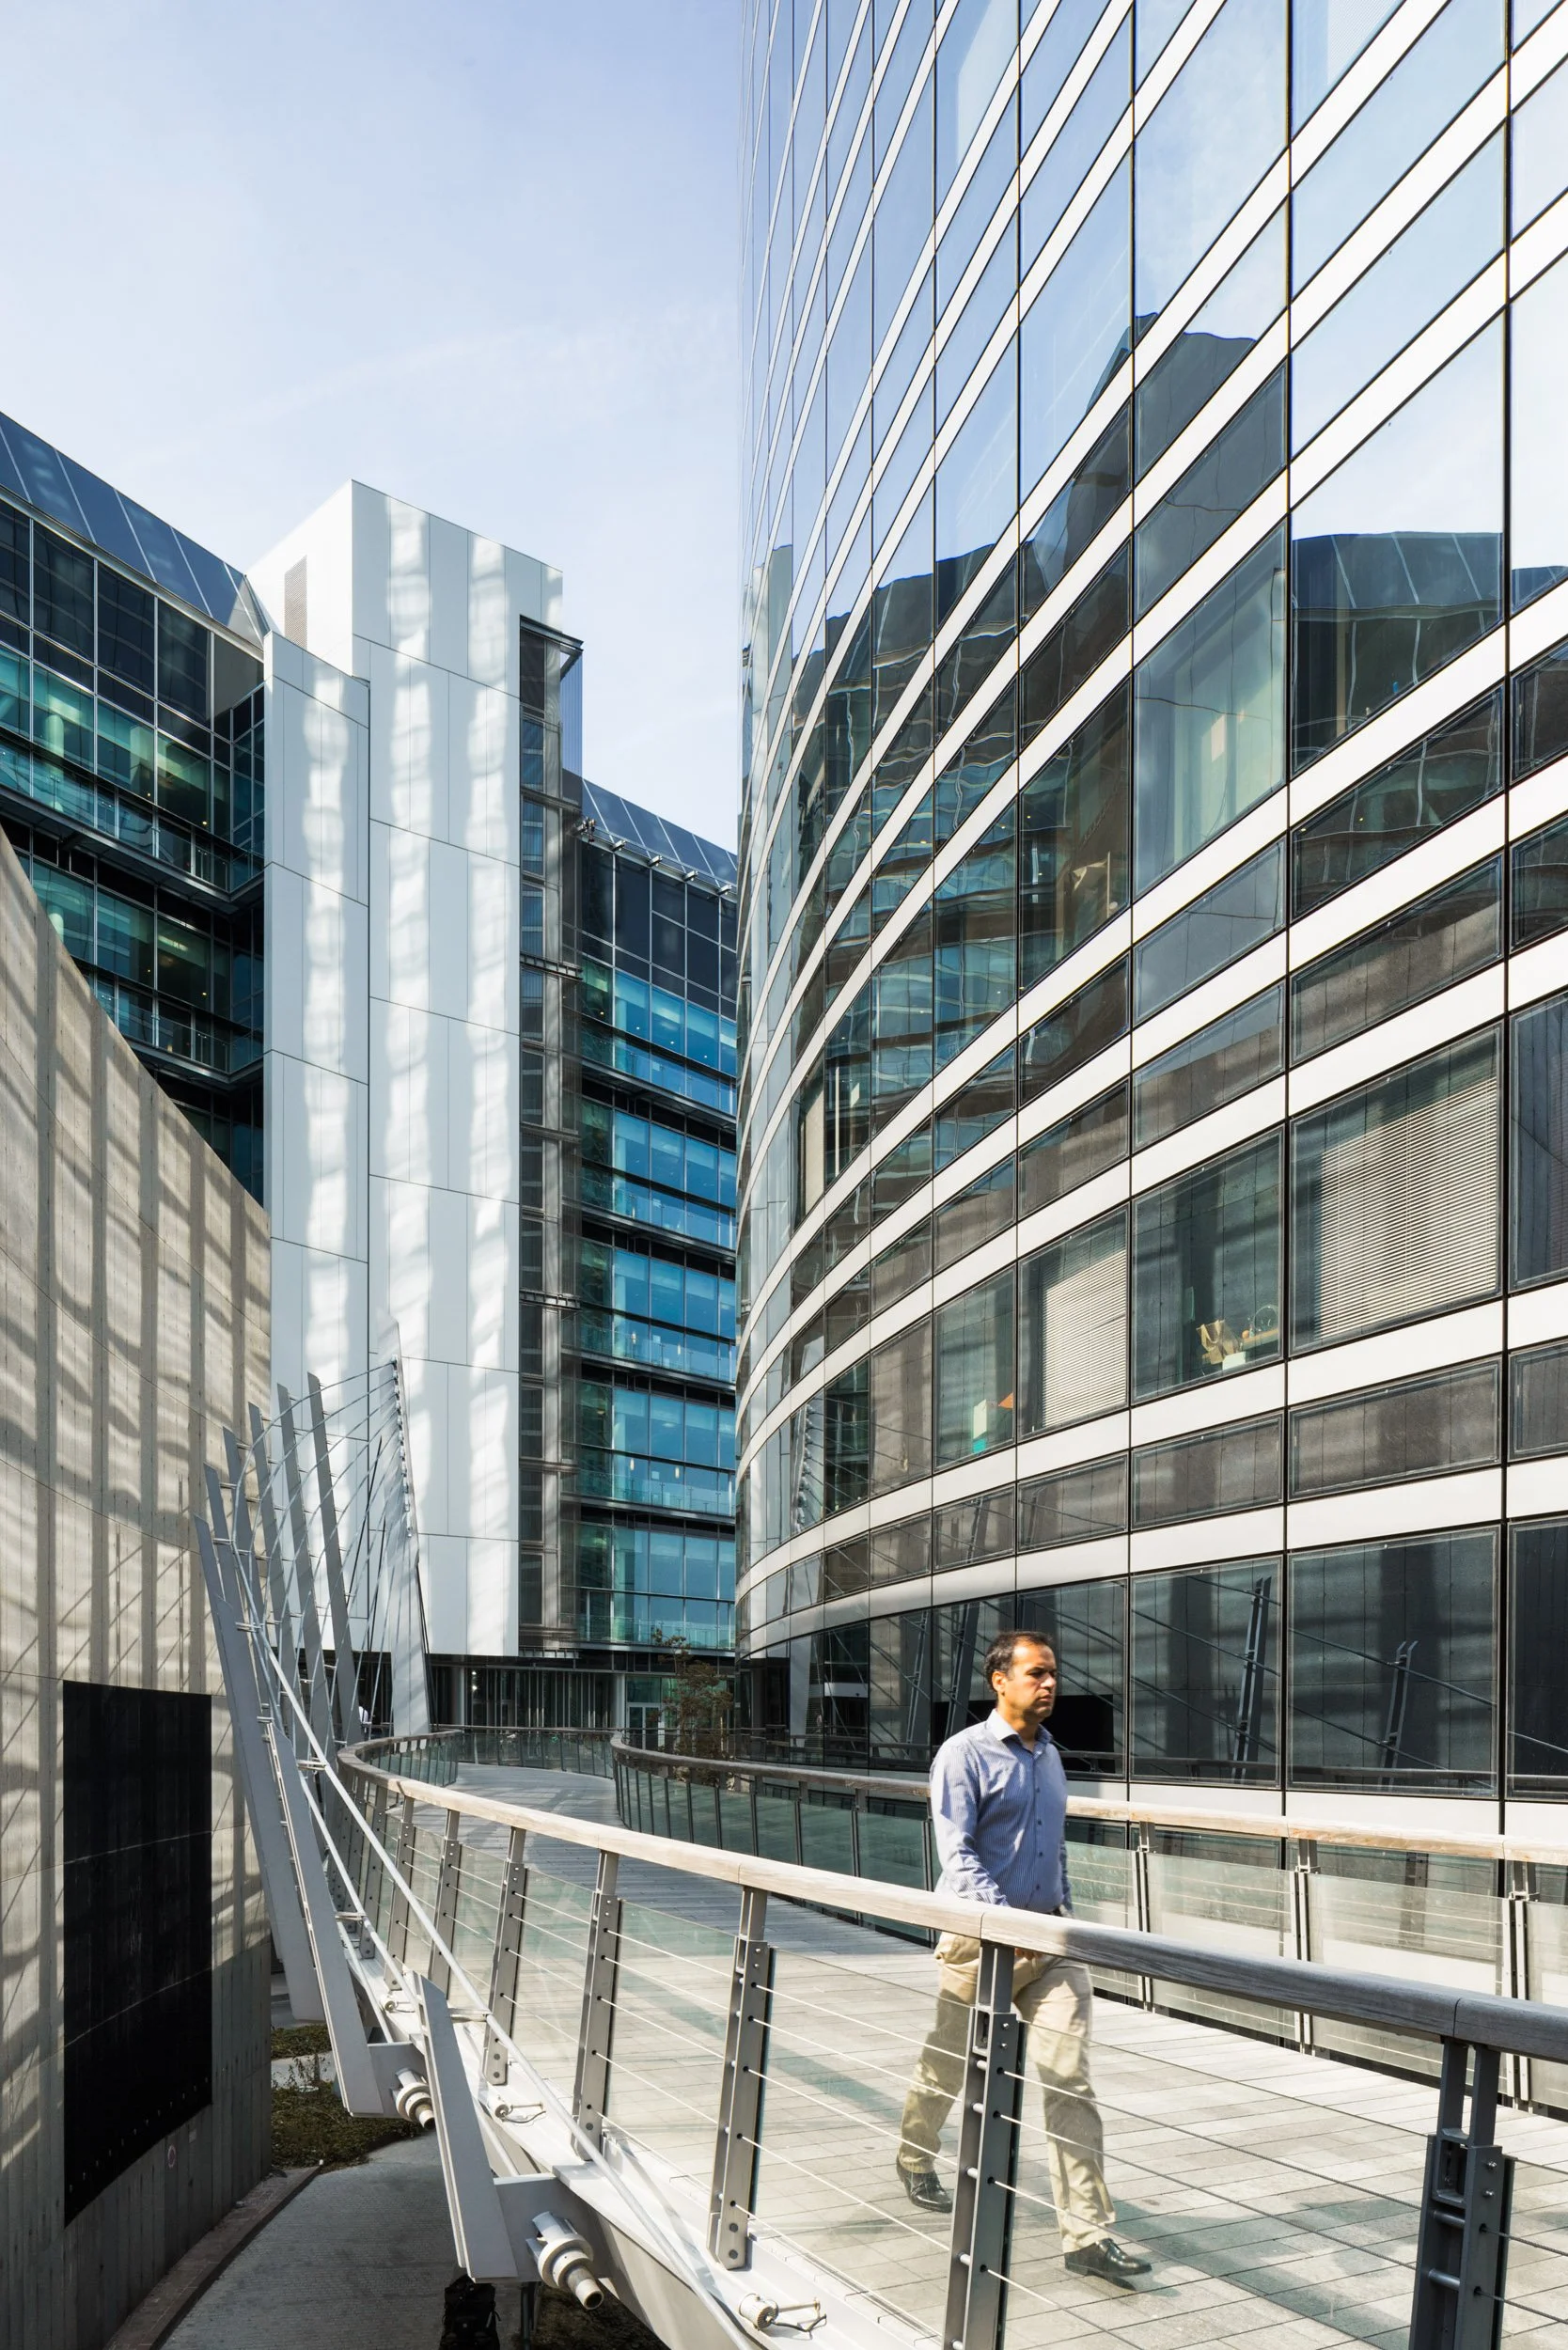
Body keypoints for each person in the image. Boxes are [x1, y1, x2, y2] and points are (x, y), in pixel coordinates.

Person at [895, 1629, 1151, 2287]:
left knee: (1070, 2078)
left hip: (1050, 1943)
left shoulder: (1050, 1758)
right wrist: (1002, 1922)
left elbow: (1053, 1844)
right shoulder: (965, 1755)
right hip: (980, 1941)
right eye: (1037, 1673)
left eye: (1053, 1674)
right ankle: (916, 2156)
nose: (1050, 1684)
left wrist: (1058, 1909)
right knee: (947, 2064)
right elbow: (958, 1854)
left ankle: (1087, 2234)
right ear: (999, 1680)